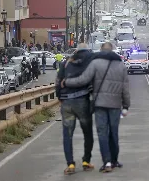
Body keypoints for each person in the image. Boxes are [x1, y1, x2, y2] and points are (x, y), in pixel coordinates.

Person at [62, 43, 130, 173]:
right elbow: (125, 88)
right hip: (115, 105)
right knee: (114, 132)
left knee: (102, 133)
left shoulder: (95, 63)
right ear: (112, 51)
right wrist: (126, 105)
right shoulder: (121, 65)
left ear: (100, 50)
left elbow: (83, 79)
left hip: (100, 104)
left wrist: (67, 82)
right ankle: (114, 160)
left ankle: (107, 162)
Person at [55, 43, 95, 175]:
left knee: (67, 135)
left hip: (67, 102)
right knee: (87, 132)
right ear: (87, 49)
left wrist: (60, 97)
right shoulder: (90, 60)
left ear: (76, 50)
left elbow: (58, 81)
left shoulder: (67, 62)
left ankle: (70, 164)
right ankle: (86, 161)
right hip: (82, 101)